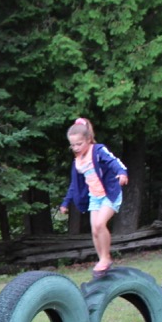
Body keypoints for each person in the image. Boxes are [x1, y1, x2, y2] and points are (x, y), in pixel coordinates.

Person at [57, 117, 129, 279]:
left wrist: (122, 173)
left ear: (88, 140)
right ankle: (103, 260)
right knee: (94, 230)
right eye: (72, 145)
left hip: (110, 194)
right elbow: (74, 184)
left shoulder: (97, 151)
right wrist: (65, 202)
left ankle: (105, 258)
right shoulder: (78, 161)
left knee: (99, 224)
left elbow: (113, 162)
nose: (76, 148)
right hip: (95, 197)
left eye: (79, 144)